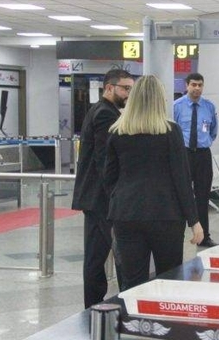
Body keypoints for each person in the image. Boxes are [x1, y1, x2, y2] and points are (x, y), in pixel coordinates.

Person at [104, 75, 204, 290]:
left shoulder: (117, 131)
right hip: (166, 214)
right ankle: (165, 323)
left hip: (127, 214)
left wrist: (122, 198)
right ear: (160, 99)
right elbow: (182, 179)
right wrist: (194, 220)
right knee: (169, 280)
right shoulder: (170, 131)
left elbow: (109, 178)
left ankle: (132, 322)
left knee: (131, 282)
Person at [71, 69, 133, 308]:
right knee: (103, 256)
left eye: (130, 89)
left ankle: (94, 305)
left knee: (96, 255)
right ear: (109, 88)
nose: (128, 93)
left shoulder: (101, 110)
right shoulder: (105, 115)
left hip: (95, 197)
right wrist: (116, 196)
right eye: (125, 88)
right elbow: (104, 160)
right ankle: (95, 307)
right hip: (101, 199)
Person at [173, 73, 219, 248]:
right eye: (193, 84)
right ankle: (177, 234)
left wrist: (204, 142)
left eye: (200, 85)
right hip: (182, 154)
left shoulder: (209, 106)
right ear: (186, 85)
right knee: (180, 194)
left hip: (202, 154)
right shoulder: (176, 106)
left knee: (203, 196)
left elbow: (213, 131)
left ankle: (204, 236)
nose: (197, 88)